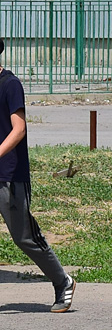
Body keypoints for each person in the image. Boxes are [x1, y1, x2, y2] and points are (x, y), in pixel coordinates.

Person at [0, 38, 75, 313]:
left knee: (24, 238)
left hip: (9, 175)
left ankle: (62, 280)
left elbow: (18, 130)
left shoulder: (10, 85)